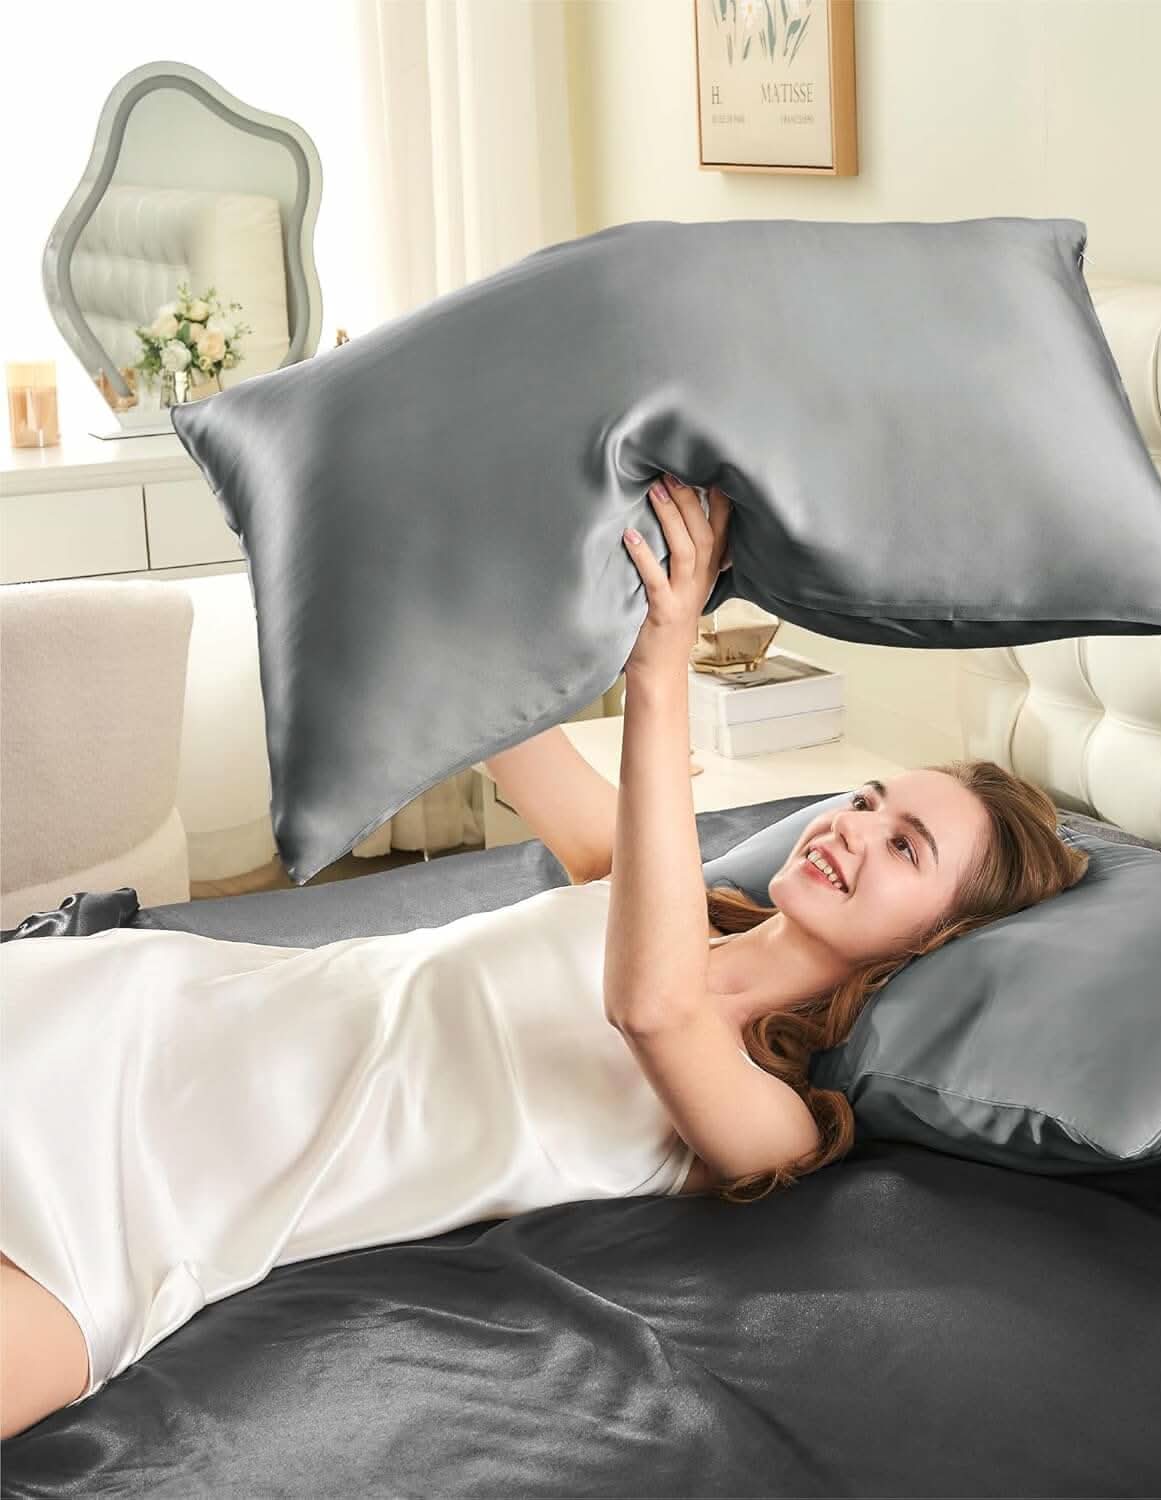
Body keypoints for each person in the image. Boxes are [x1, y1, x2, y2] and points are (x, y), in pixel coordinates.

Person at [0, 474, 1087, 1440]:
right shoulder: (644, 879)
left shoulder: (777, 1121)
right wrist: (449, 515)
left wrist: (662, 668)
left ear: (937, 940)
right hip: (141, 1020)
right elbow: (492, 714)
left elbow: (653, 1010)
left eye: (905, 847)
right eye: (868, 800)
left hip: (189, 1199)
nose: (852, 828)